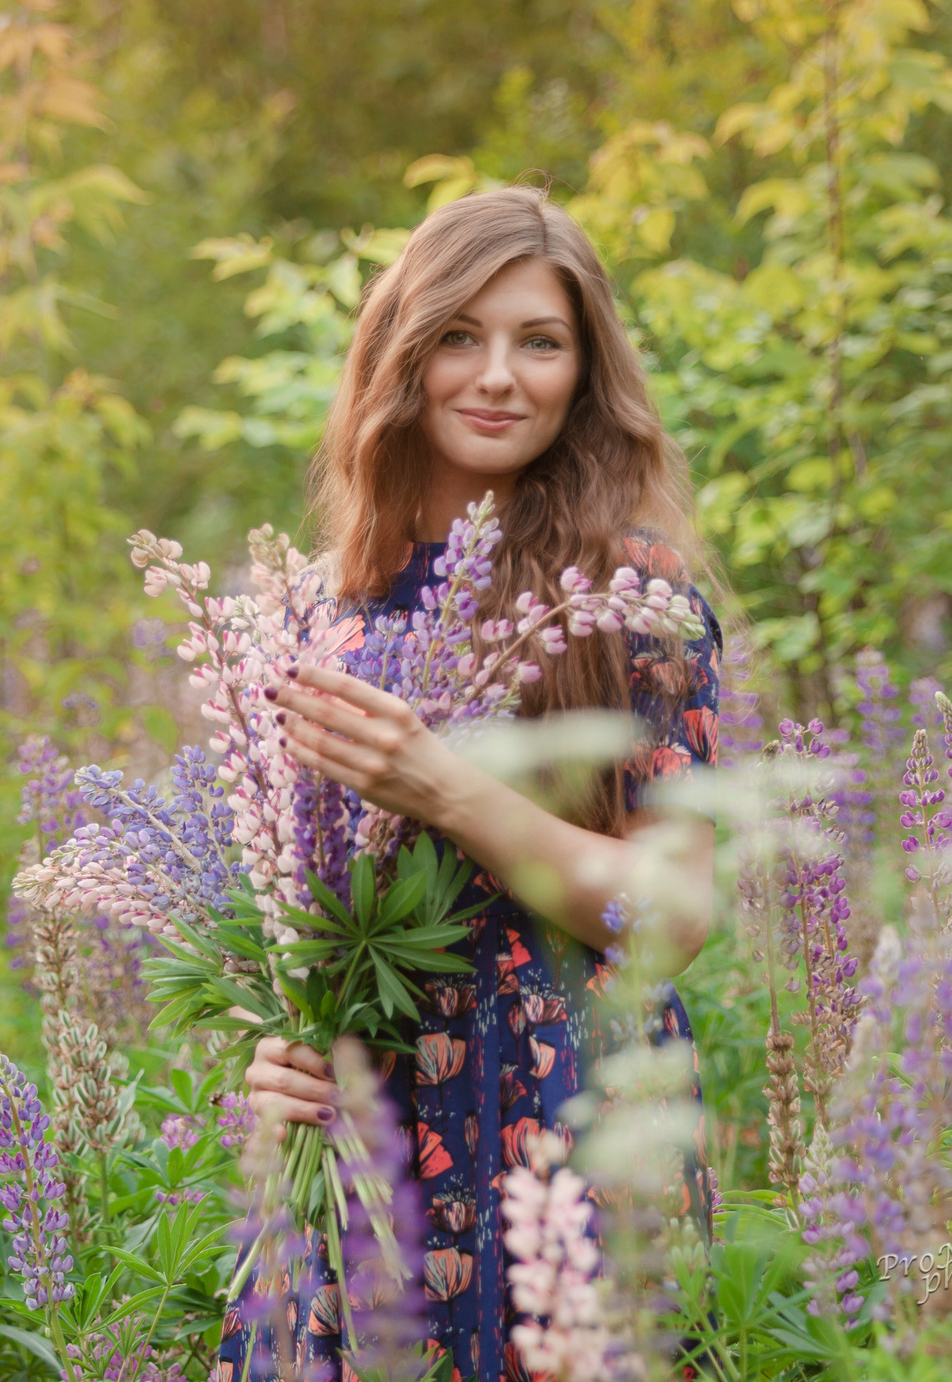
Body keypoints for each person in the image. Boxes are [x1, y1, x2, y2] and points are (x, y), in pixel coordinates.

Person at [213, 185, 725, 1382]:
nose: (498, 375)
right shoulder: (311, 610)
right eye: (459, 335)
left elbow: (675, 917)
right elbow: (296, 915)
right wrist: (274, 1046)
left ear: (582, 372)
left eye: (539, 341)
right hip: (361, 1152)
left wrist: (445, 786)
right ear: (403, 352)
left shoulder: (625, 598)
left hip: (571, 1131)